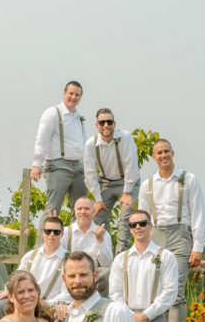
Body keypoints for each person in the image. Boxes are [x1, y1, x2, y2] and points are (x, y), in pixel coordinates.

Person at [139, 138, 205, 322]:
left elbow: (198, 213)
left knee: (176, 291)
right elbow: (142, 218)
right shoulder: (148, 185)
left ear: (173, 153)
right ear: (153, 156)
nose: (163, 156)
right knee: (155, 289)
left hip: (180, 235)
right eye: (159, 152)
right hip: (156, 235)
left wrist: (197, 246)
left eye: (166, 151)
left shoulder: (188, 179)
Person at [31, 81, 87, 229]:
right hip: (58, 165)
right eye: (71, 93)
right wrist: (37, 164)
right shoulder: (52, 113)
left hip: (78, 167)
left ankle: (76, 250)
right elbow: (42, 139)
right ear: (64, 93)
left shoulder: (79, 118)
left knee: (81, 210)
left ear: (80, 97)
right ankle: (41, 250)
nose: (73, 97)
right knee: (53, 210)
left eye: (77, 94)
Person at [84, 109, 139, 253]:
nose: (106, 125)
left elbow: (131, 166)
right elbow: (89, 173)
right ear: (97, 125)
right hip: (106, 183)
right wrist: (97, 199)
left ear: (115, 123)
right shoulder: (91, 144)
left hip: (127, 182)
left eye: (109, 122)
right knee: (97, 218)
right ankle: (104, 253)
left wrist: (127, 193)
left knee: (125, 218)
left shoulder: (125, 137)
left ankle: (121, 256)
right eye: (102, 122)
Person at [62, 196, 113, 296]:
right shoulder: (65, 232)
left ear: (94, 212)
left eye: (87, 208)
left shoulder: (104, 234)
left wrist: (100, 240)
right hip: (71, 275)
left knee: (107, 272)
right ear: (75, 212)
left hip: (93, 277)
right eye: (80, 209)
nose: (83, 212)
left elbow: (107, 263)